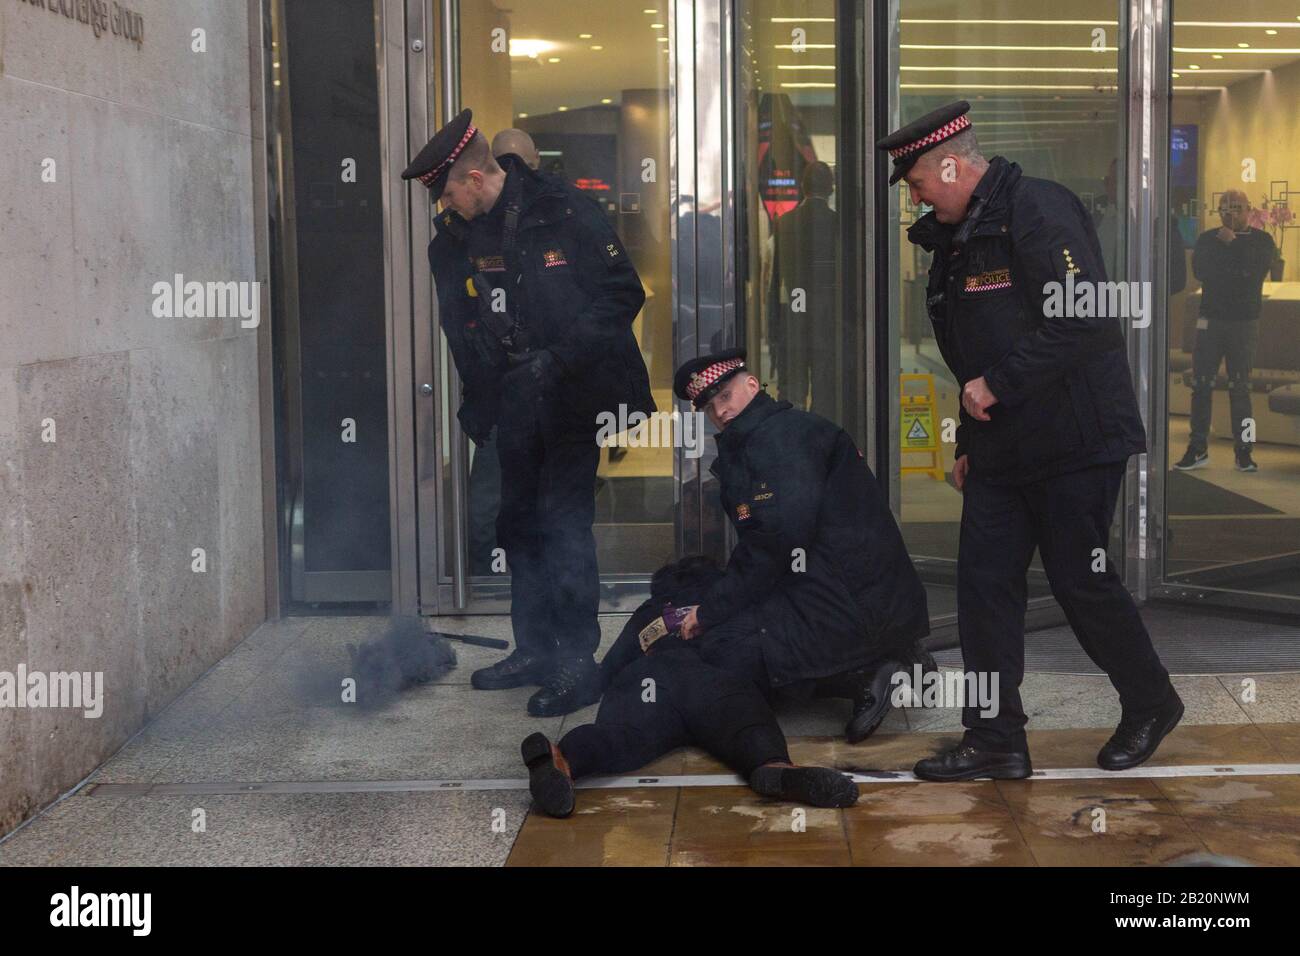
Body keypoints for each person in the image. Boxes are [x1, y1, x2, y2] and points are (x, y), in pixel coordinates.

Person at [878, 101, 1181, 781]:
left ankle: (1150, 700)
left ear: (950, 164)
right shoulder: (955, 241)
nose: (917, 196)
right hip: (1002, 448)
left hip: (1076, 437)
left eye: (919, 181)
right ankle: (995, 739)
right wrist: (967, 437)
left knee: (1080, 580)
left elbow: (1086, 319)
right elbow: (969, 355)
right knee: (984, 587)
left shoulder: (1039, 211)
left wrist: (1001, 386)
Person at [405, 109, 655, 716]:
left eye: (446, 194)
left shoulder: (561, 209)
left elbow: (623, 292)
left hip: (573, 394)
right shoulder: (458, 241)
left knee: (564, 525)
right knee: (518, 524)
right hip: (515, 402)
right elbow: (464, 328)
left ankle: (576, 662)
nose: (444, 207)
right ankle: (534, 649)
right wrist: (477, 401)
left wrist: (559, 359)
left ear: (472, 179)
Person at [678, 350, 930, 739]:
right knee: (735, 639)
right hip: (844, 590)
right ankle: (889, 653)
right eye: (710, 407)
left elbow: (774, 543)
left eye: (725, 397)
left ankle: (868, 671)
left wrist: (712, 610)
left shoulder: (781, 440)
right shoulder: (760, 438)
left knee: (728, 651)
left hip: (851, 601)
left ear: (751, 385)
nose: (720, 412)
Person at [519, 555, 861, 818]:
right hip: (714, 679)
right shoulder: (732, 600)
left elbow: (604, 675)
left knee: (617, 737)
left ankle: (563, 760)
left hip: (649, 681)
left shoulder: (649, 612)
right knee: (746, 724)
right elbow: (779, 655)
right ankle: (775, 770)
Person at [467, 129, 545, 576]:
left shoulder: (554, 217)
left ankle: (496, 575)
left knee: (512, 491)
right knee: (494, 491)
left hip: (539, 381)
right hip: (504, 382)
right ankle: (490, 574)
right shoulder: (478, 226)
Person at [1174, 189, 1276, 473]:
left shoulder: (1262, 241)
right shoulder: (1208, 240)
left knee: (1240, 387)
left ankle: (1244, 451)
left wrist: (1233, 247)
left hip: (1243, 323)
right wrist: (1228, 258)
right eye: (1224, 208)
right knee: (1201, 384)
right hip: (1210, 321)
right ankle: (1197, 447)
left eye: (1236, 207)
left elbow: (1253, 273)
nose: (1230, 213)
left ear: (1248, 210)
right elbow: (1203, 272)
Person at [768, 161, 840, 419]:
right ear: (831, 188)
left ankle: (793, 443)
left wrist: (773, 325)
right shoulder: (838, 223)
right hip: (829, 318)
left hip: (794, 316)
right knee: (825, 390)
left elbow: (777, 279)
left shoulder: (785, 223)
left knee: (793, 391)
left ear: (802, 187)